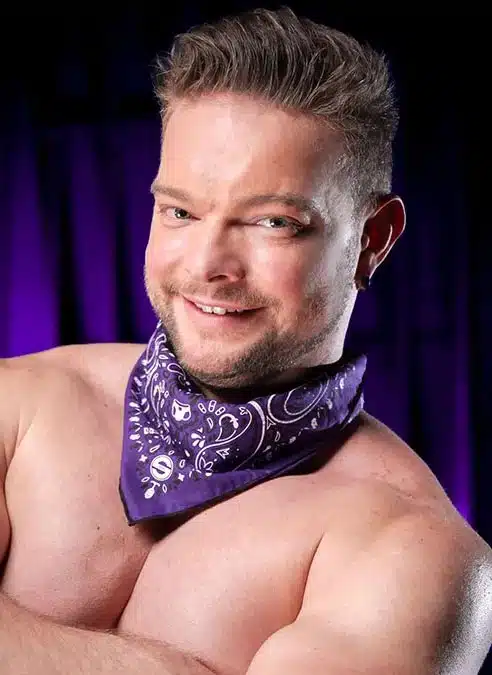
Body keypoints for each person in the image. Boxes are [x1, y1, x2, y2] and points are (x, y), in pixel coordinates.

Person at [1, 6, 491, 674]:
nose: (208, 265)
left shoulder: (414, 554)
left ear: (372, 240)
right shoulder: (22, 407)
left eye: (272, 222)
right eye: (180, 211)